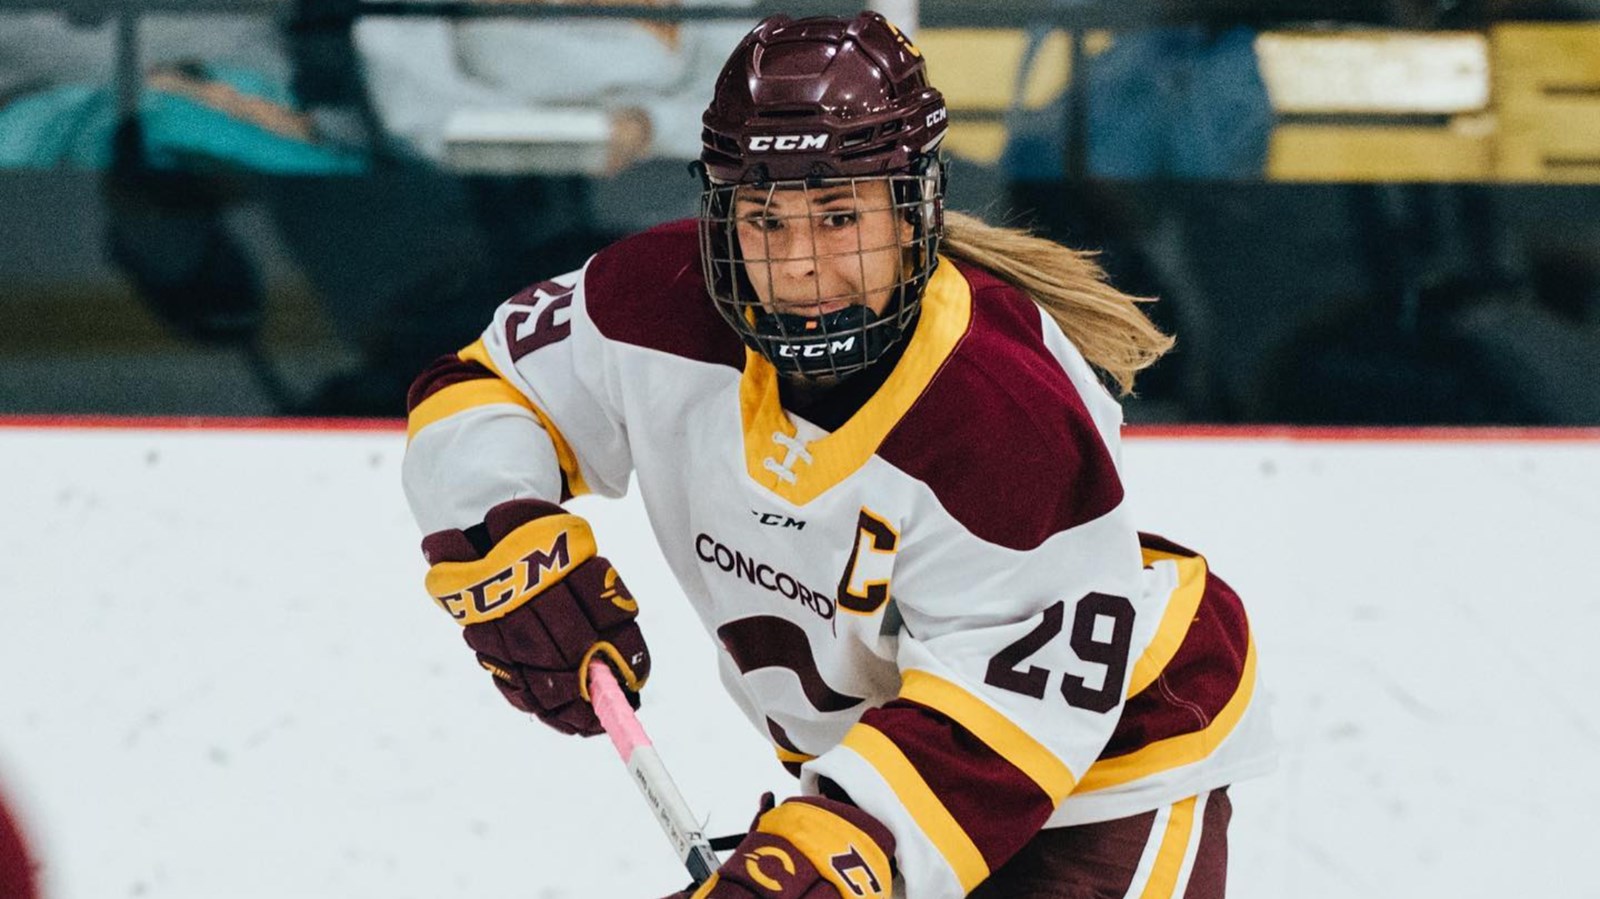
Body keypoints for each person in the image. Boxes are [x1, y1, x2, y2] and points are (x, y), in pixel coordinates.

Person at [402, 12, 1273, 898]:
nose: (803, 267)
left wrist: (832, 856)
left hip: (1104, 774)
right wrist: (502, 534)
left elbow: (1013, 711)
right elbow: (490, 385)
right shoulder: (653, 299)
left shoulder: (1000, 408)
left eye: (837, 217)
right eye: (765, 221)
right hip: (879, 773)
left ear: (913, 212)